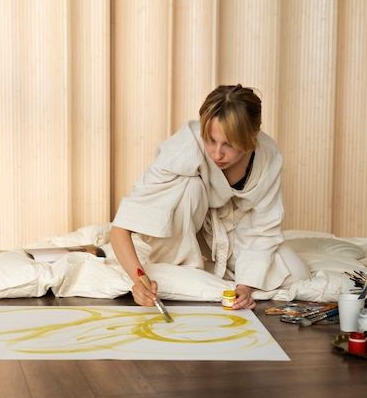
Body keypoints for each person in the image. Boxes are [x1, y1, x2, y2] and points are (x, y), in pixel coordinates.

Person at [110, 84, 310, 310]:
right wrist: (139, 283)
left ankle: (205, 275)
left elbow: (263, 229)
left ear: (253, 136)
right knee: (190, 187)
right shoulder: (185, 145)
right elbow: (121, 228)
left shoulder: (268, 155)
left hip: (232, 231)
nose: (217, 154)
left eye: (229, 145)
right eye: (210, 141)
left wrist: (245, 287)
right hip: (184, 228)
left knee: (296, 273)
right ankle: (183, 267)